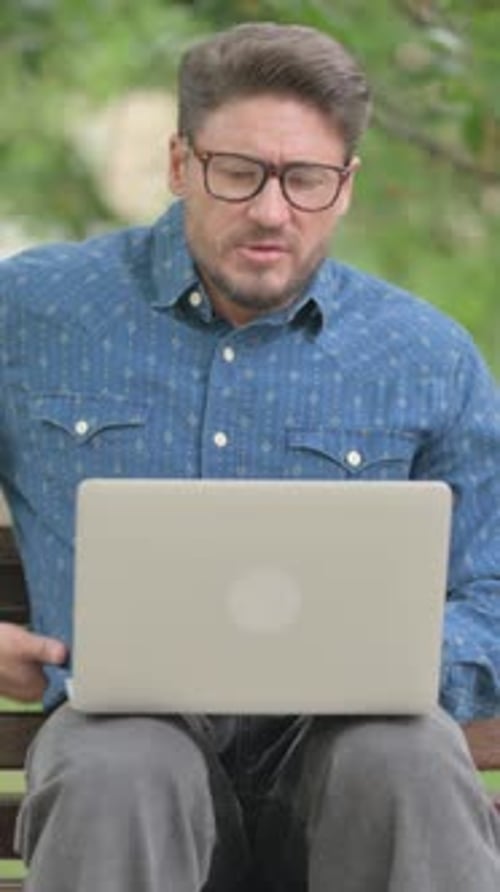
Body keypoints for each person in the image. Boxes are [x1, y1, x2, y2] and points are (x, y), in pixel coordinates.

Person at [0, 20, 499, 892]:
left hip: (345, 759)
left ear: (345, 187)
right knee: (117, 767)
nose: (271, 211)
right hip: (127, 755)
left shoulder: (428, 356)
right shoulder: (32, 314)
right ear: (179, 164)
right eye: (238, 173)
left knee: (408, 756)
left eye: (305, 179)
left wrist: (414, 654)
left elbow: (493, 587)